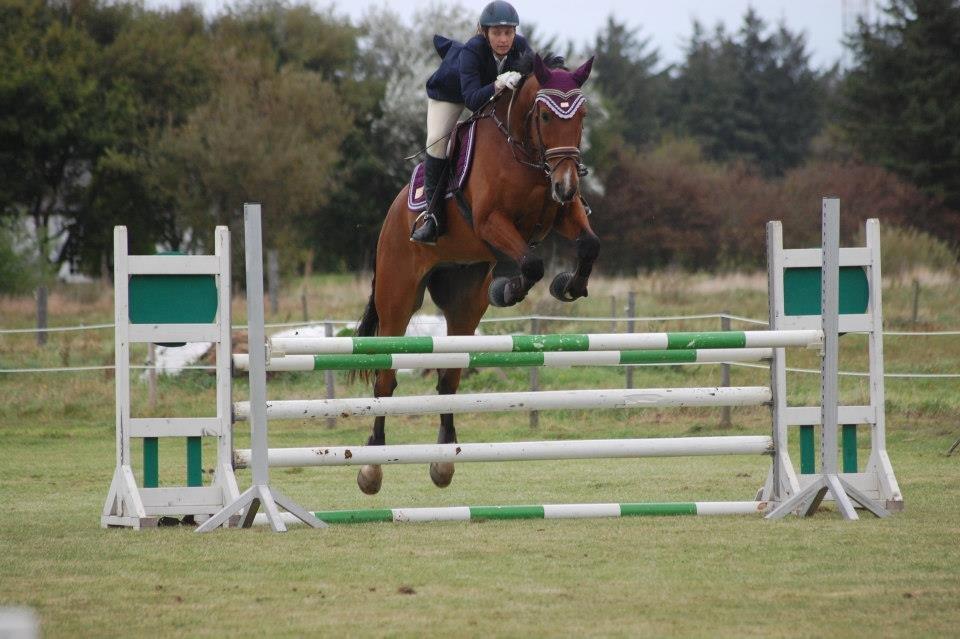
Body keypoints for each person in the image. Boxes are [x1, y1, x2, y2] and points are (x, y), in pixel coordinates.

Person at [411, 0, 532, 245]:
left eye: (508, 32)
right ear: (484, 33)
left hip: (488, 94)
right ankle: (433, 218)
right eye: (497, 33)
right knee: (437, 141)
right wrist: (498, 83)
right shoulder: (472, 50)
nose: (503, 39)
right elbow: (473, 100)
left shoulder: (521, 47)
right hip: (452, 94)